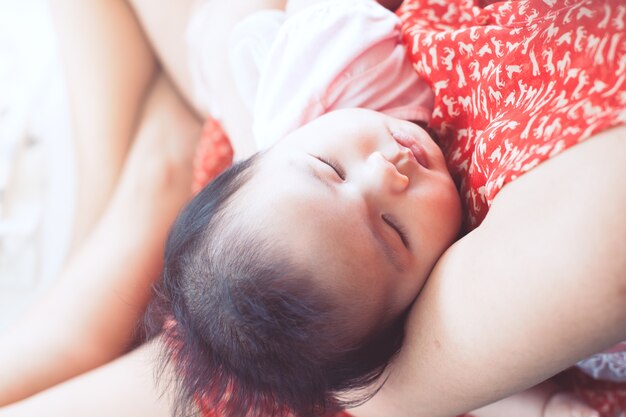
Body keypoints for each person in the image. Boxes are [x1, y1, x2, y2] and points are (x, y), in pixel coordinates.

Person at [0, 1, 624, 417]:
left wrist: (270, 139)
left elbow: (232, 31)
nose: (388, 170)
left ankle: (138, 203)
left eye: (331, 168)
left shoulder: (311, 100)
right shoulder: (363, 290)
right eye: (394, 231)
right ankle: (132, 204)